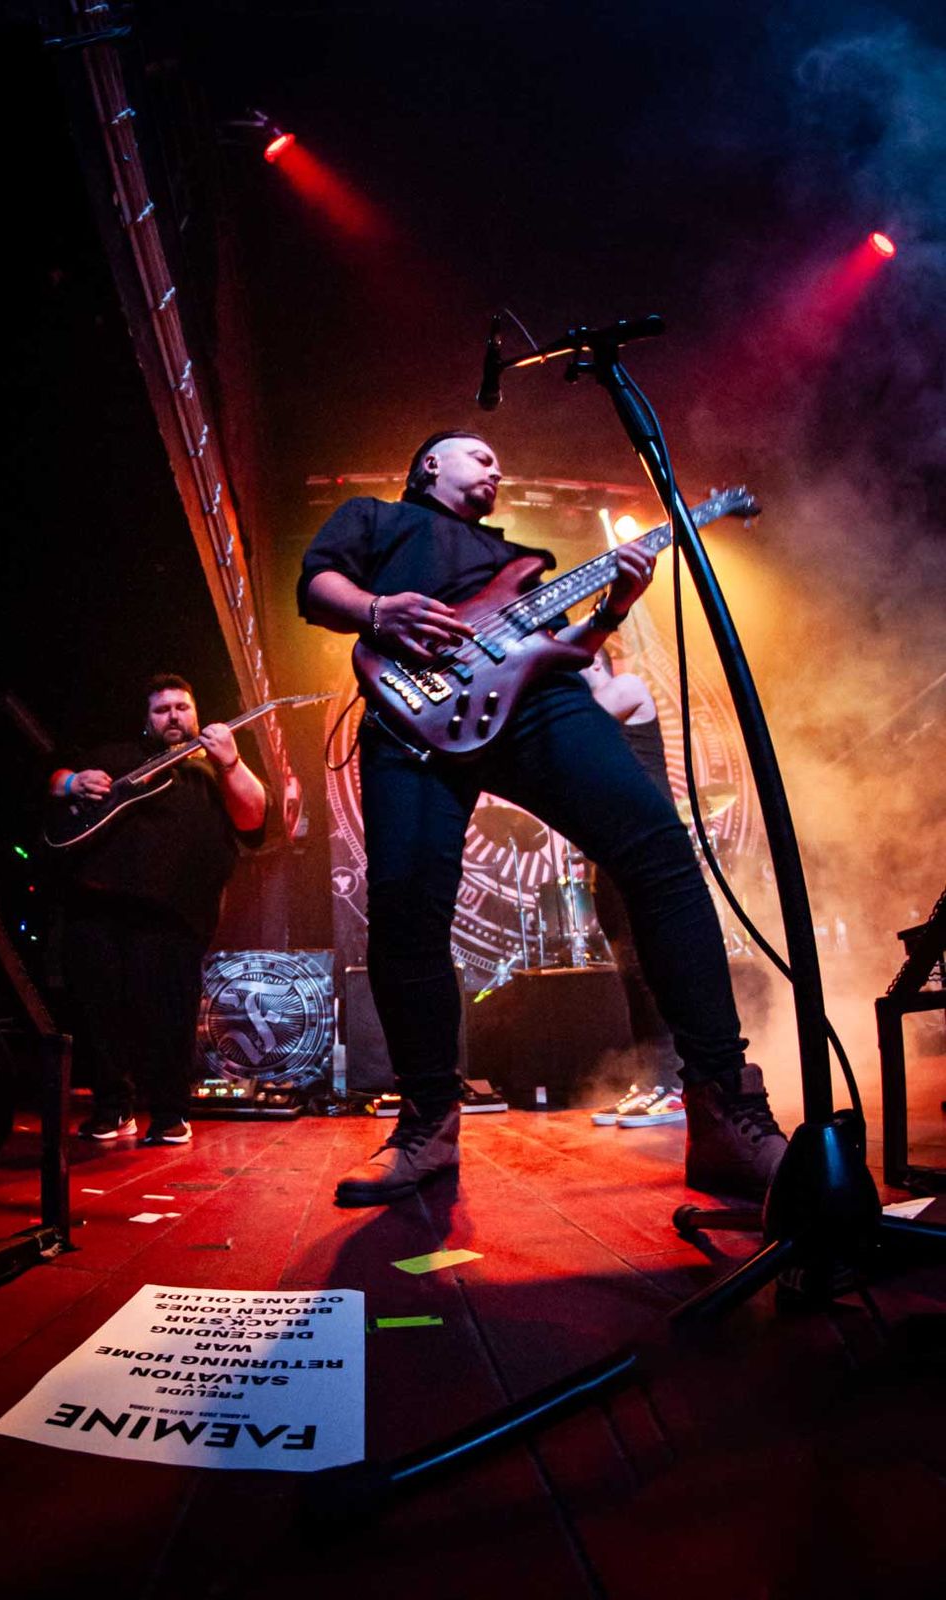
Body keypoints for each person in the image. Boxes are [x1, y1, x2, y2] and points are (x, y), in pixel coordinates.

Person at [299, 430, 786, 1204]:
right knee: (404, 908)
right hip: (409, 711)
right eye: (477, 455)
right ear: (430, 465)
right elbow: (317, 585)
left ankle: (726, 1110)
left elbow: (567, 651)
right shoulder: (375, 518)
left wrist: (615, 606)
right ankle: (427, 1128)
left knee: (659, 852)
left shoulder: (517, 560)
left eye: (497, 459)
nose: (495, 466)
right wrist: (377, 608)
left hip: (535, 706)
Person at [50, 673, 267, 1146]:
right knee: (98, 1011)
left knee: (169, 1014)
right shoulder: (117, 756)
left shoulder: (212, 769)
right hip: (98, 904)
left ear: (196, 713)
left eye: (181, 707)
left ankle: (170, 1113)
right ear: (147, 719)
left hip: (175, 912)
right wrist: (71, 782)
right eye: (161, 709)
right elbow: (55, 778)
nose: (173, 716)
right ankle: (112, 1108)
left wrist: (231, 763)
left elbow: (254, 818)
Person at [581, 647, 685, 1128]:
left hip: (648, 849)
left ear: (594, 663)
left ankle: (675, 1084)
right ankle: (649, 1081)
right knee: (631, 974)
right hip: (610, 857)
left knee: (652, 966)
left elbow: (583, 729)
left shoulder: (625, 688)